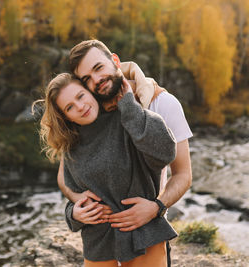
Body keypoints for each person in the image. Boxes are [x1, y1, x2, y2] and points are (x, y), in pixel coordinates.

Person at [58, 40, 193, 266]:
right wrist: (77, 206)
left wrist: (156, 208)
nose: (96, 80)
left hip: (147, 232)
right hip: (101, 243)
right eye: (86, 80)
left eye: (98, 68)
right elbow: (66, 176)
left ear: (116, 61)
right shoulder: (90, 110)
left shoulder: (164, 104)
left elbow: (183, 174)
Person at [38, 72, 177, 266]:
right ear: (65, 116)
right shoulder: (70, 146)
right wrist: (74, 214)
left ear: (90, 92)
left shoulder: (126, 119)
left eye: (80, 96)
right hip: (98, 244)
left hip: (143, 235)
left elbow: (166, 152)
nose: (80, 106)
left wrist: (129, 104)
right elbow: (76, 196)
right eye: (69, 107)